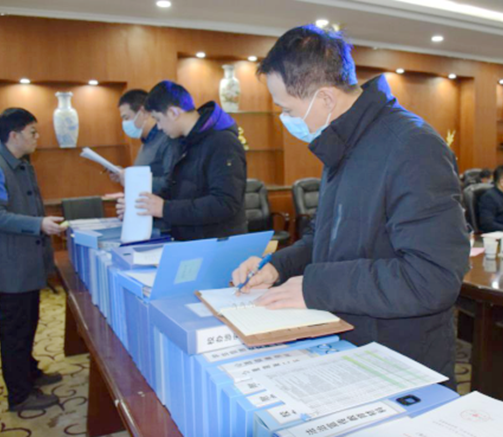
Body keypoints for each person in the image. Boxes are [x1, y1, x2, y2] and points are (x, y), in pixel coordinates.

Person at [232, 25, 470, 387]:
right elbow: (324, 239)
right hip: (349, 345)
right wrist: (278, 266)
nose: (286, 119)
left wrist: (316, 287)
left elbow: (431, 279)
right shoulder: (340, 142)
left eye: (287, 109)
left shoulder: (413, 147)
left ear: (326, 98)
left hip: (400, 359)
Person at [0, 108, 64, 411]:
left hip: (25, 265)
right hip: (9, 268)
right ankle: (20, 394)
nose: (38, 137)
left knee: (27, 324)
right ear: (14, 135)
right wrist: (38, 224)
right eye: (32, 132)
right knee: (14, 332)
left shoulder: (19, 162)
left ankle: (30, 372)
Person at [116, 81, 247, 241]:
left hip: (218, 244)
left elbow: (225, 203)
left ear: (173, 112)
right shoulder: (181, 143)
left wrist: (164, 208)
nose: (158, 127)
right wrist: (141, 207)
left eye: (158, 119)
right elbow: (175, 193)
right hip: (190, 241)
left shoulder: (222, 142)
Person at [112, 89, 179, 193]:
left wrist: (134, 179)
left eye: (126, 117)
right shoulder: (146, 142)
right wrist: (124, 174)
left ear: (143, 112)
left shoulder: (167, 140)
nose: (124, 123)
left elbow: (171, 183)